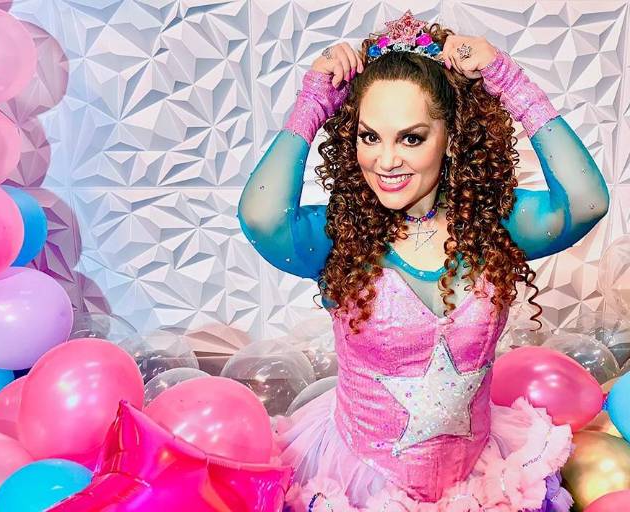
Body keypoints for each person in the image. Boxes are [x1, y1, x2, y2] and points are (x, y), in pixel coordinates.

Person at [237, 10, 610, 512]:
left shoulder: (491, 222)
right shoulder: (342, 234)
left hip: (478, 477)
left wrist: (509, 80)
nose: (386, 160)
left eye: (410, 137)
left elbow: (587, 202)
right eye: (370, 136)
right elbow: (260, 217)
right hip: (361, 479)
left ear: (450, 137)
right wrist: (313, 103)